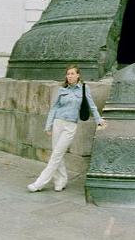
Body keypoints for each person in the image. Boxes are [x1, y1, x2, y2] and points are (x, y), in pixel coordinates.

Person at [27, 64, 106, 193]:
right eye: (68, 74)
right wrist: (49, 125)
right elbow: (54, 108)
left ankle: (39, 183)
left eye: (72, 73)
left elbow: (92, 107)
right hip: (58, 123)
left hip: (70, 125)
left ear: (78, 75)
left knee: (56, 154)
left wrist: (99, 120)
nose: (69, 76)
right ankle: (61, 180)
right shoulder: (62, 90)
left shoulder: (84, 89)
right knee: (57, 154)